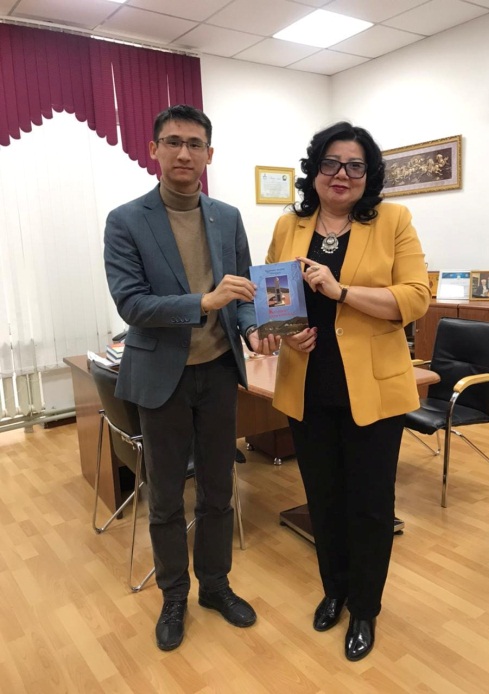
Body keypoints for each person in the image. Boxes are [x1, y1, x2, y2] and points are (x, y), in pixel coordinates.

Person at [103, 104, 276, 652]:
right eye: (173, 142)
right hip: (162, 378)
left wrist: (252, 329)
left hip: (219, 373)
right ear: (153, 149)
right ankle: (174, 595)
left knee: (219, 490)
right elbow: (132, 303)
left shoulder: (227, 217)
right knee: (165, 497)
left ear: (209, 154)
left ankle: (215, 586)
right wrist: (204, 301)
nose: (184, 153)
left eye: (195, 144)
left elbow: (242, 293)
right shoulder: (126, 220)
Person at [264, 121, 430, 661]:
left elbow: (416, 298)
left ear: (368, 174)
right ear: (314, 170)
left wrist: (342, 291)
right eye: (332, 163)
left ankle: (364, 608)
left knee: (371, 505)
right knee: (324, 499)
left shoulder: (393, 221)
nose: (342, 174)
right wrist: (287, 334)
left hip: (374, 391)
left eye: (355, 165)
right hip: (307, 387)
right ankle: (334, 589)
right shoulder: (289, 224)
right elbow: (274, 296)